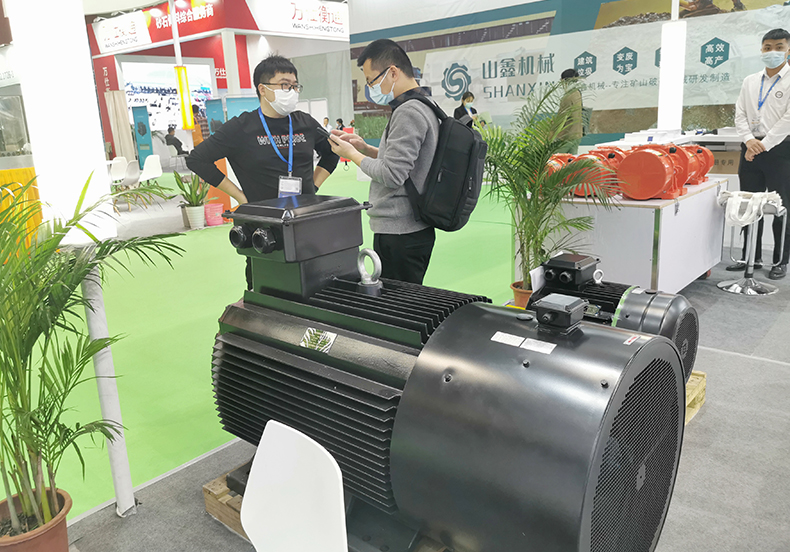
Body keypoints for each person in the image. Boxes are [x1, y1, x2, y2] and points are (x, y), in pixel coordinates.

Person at [186, 54, 339, 287]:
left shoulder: (305, 122)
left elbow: (332, 153)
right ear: (263, 89)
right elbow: (197, 160)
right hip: (263, 227)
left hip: (306, 222)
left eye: (295, 86)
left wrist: (314, 186)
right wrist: (240, 197)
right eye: (285, 85)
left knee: (313, 283)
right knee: (266, 287)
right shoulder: (242, 127)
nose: (292, 91)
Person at [328, 39, 439, 285]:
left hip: (401, 231)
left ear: (393, 72)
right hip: (407, 228)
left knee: (399, 303)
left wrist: (352, 154)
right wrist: (365, 149)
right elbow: (406, 163)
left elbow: (392, 174)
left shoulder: (408, 111)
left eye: (371, 80)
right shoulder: (423, 103)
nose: (370, 88)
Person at [733, 28, 790, 280]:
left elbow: (788, 119)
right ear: (761, 50)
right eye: (767, 47)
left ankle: (780, 260)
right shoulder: (750, 81)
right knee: (749, 206)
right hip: (750, 150)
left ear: (788, 50)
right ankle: (751, 258)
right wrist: (749, 141)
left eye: (779, 47)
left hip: (781, 149)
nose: (772, 52)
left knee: (781, 207)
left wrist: (763, 144)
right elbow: (740, 114)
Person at [556, 69, 583, 155]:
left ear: (564, 80)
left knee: (556, 159)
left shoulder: (567, 96)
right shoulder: (577, 93)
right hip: (577, 134)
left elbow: (561, 118)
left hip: (567, 136)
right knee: (571, 160)